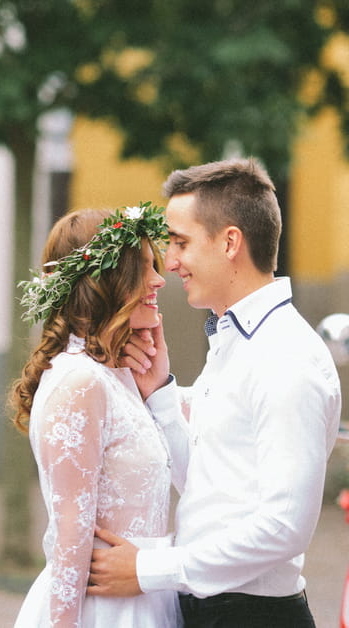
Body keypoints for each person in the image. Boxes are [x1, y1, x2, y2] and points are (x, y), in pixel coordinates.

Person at [88, 158, 342, 628]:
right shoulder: (235, 342)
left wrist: (149, 570)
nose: (170, 262)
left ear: (230, 242)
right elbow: (210, 486)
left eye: (181, 242)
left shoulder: (285, 357)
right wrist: (160, 392)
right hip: (213, 611)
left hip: (255, 617)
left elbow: (285, 529)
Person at [10, 204, 183, 627]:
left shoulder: (117, 378)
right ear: (106, 282)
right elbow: (72, 536)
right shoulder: (81, 384)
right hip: (106, 611)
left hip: (147, 597)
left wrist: (158, 385)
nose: (159, 279)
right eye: (143, 268)